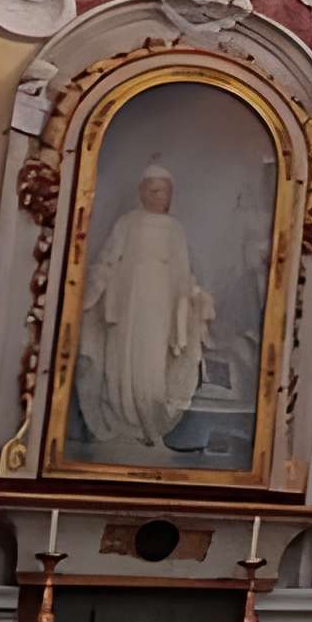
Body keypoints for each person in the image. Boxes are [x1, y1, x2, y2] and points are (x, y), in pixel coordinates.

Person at [79, 162, 215, 454]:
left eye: (164, 192)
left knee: (152, 360)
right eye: (154, 191)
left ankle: (148, 421)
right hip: (128, 303)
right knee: (124, 358)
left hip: (161, 305)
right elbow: (108, 259)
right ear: (142, 192)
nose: (159, 197)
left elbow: (182, 270)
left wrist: (190, 298)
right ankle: (123, 419)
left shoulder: (175, 229)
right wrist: (93, 293)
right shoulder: (127, 223)